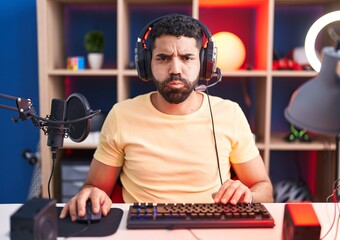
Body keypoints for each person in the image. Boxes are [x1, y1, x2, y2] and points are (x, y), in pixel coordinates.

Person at [60, 13, 273, 222]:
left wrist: (249, 196)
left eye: (187, 57)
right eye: (163, 58)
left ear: (205, 64)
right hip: (141, 229)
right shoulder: (121, 115)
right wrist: (92, 194)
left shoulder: (230, 113)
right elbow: (93, 188)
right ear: (146, 64)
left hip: (211, 227)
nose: (175, 69)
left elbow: (265, 189)